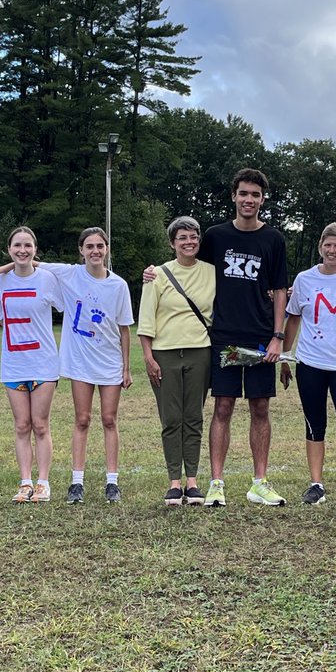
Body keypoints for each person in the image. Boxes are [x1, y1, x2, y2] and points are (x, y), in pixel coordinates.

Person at [146, 169, 288, 507]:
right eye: (243, 193)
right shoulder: (215, 236)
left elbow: (280, 290)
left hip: (259, 336)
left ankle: (259, 482)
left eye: (255, 194)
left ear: (262, 199)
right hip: (221, 336)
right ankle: (216, 483)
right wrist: (155, 272)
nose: (248, 200)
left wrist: (277, 336)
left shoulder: (274, 239)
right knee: (222, 406)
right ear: (233, 196)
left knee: (260, 407)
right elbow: (189, 264)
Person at [38, 228, 134, 503]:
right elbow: (29, 261)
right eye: (89, 246)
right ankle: (76, 482)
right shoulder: (70, 274)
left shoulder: (118, 285)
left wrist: (126, 368)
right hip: (80, 361)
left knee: (109, 419)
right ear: (81, 250)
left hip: (109, 361)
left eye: (100, 246)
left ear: (107, 249)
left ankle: (112, 482)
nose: (95, 251)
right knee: (82, 419)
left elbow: (124, 328)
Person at [279, 223, 336, 504]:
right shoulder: (305, 279)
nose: (332, 250)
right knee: (314, 425)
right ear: (320, 247)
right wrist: (284, 358)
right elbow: (293, 318)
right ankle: (316, 484)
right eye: (328, 245)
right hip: (310, 362)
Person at [138, 216, 215, 506]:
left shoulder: (211, 272)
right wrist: (148, 358)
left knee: (193, 418)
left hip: (200, 352)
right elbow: (146, 321)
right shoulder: (156, 275)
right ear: (172, 243)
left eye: (193, 236)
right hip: (165, 355)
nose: (189, 242)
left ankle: (192, 482)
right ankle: (174, 482)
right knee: (171, 419)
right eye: (182, 237)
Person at [0, 226, 64, 503]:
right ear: (9, 249)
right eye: (17, 245)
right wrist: (0, 271)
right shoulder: (1, 282)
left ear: (35, 249)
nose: (22, 250)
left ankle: (43, 482)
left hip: (43, 363)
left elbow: (65, 305)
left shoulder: (47, 279)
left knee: (40, 424)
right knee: (21, 425)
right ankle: (25, 481)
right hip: (13, 364)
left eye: (28, 246)